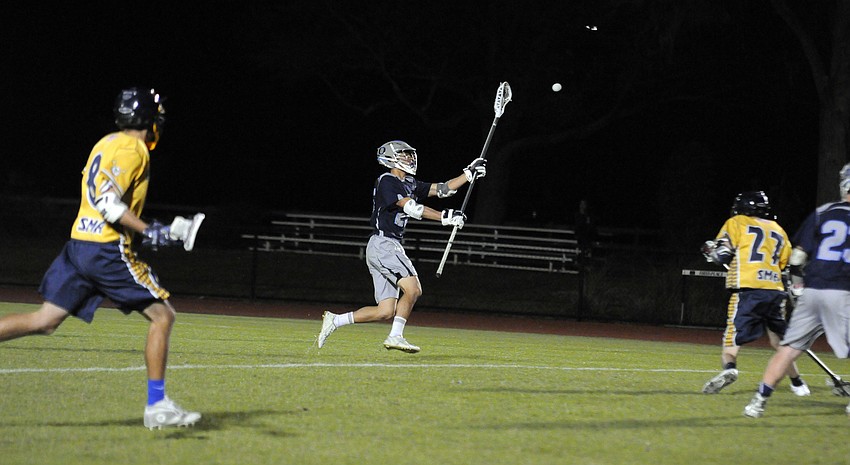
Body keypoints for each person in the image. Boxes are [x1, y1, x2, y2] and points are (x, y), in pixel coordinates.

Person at [0, 87, 205, 430]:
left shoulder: (107, 141)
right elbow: (108, 204)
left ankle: (159, 405)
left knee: (45, 321)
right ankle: (157, 406)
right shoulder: (133, 148)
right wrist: (148, 230)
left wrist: (157, 230)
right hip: (105, 248)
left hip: (79, 244)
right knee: (163, 315)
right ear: (147, 119)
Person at [317, 140, 486, 353]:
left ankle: (335, 320)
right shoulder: (387, 180)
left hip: (384, 246)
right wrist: (445, 217)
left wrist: (469, 174)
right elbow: (411, 207)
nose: (410, 158)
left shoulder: (409, 182)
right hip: (384, 244)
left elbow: (442, 189)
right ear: (391, 158)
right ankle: (395, 336)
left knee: (385, 311)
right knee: (413, 289)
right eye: (405, 155)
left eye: (410, 155)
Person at [744, 166, 850, 417]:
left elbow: (798, 256)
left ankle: (758, 401)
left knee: (788, 348)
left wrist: (796, 285)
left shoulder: (823, 212)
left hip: (813, 289)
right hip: (842, 290)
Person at [700, 191, 809, 396]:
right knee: (781, 343)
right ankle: (798, 384)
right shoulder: (778, 230)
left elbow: (721, 254)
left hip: (748, 288)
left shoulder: (737, 222)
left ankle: (730, 368)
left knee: (732, 336)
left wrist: (710, 252)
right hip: (775, 290)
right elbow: (785, 263)